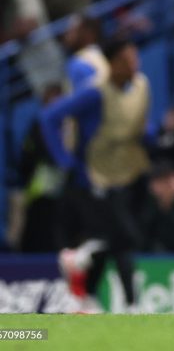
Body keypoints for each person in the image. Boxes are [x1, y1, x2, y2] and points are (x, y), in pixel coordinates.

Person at [40, 39, 152, 313]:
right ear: (112, 64)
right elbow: (49, 117)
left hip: (120, 178)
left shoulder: (134, 90)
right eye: (127, 59)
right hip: (91, 181)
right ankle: (129, 303)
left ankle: (86, 288)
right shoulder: (94, 93)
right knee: (124, 238)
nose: (134, 65)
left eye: (135, 58)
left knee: (116, 239)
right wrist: (65, 161)